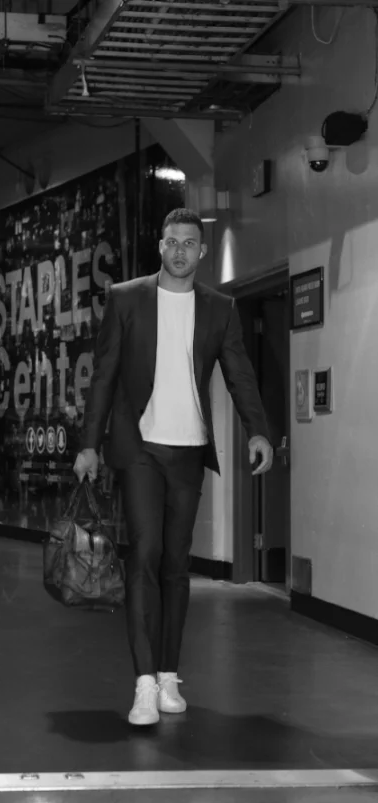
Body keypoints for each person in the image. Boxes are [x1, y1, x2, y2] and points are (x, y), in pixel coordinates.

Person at [74, 208, 273, 726]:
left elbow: (239, 374)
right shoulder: (126, 298)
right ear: (160, 246)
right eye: (172, 242)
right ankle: (142, 683)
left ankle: (167, 674)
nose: (181, 250)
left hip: (188, 448)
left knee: (176, 564)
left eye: (190, 243)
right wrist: (89, 444)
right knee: (145, 552)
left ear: (202, 251)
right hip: (139, 444)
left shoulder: (221, 308)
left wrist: (258, 430)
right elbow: (104, 375)